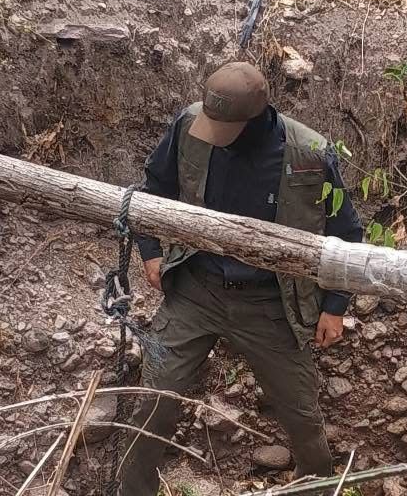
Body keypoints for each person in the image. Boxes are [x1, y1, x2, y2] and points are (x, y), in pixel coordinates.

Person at [117, 62, 363, 493]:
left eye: (224, 128)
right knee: (153, 402)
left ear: (256, 118)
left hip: (270, 303)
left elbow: (346, 233)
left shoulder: (309, 152)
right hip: (196, 289)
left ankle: (316, 489)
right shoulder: (190, 124)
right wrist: (151, 251)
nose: (212, 134)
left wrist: (335, 306)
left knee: (302, 415)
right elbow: (152, 188)